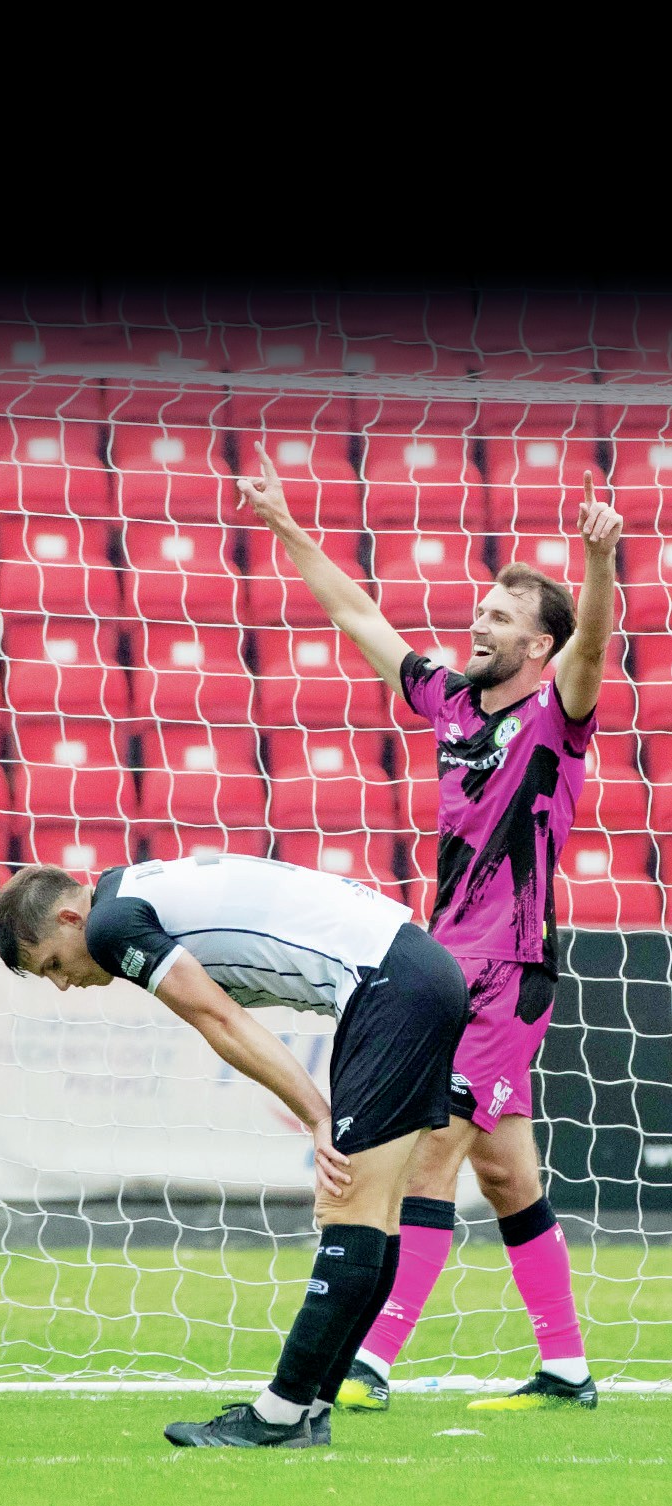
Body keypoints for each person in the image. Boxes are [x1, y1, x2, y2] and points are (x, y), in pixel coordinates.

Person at [236, 445, 623, 1412]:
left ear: (536, 646)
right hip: (443, 959)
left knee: (430, 1152)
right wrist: (286, 527)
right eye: (480, 611)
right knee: (503, 1170)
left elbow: (592, 647)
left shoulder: (556, 714)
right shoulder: (448, 701)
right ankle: (566, 1368)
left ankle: (369, 1362)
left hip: (510, 966)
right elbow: (357, 616)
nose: (477, 623)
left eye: (499, 617)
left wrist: (597, 561)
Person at [0, 851, 468, 1448]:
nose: (64, 984)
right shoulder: (127, 894)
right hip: (416, 971)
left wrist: (317, 1116)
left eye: (55, 964)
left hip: (392, 985)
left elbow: (220, 1020)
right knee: (376, 1211)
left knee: (348, 1204)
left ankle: (278, 1416)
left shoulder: (110, 926)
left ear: (69, 918)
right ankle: (311, 1408)